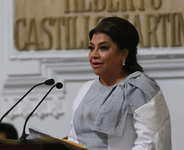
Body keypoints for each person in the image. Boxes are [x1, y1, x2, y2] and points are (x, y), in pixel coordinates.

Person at [67, 17, 172, 150]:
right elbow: (74, 139)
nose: (94, 55)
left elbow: (149, 143)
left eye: (103, 48)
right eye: (91, 48)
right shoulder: (85, 89)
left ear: (123, 53)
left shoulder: (139, 88)